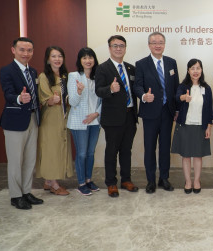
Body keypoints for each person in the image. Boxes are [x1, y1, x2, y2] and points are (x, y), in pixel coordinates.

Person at [0, 37, 43, 209]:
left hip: (33, 118)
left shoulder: (32, 71)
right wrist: (19, 98)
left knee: (30, 159)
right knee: (16, 161)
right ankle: (16, 196)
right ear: (13, 50)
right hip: (15, 121)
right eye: (22, 50)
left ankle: (26, 191)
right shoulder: (7, 70)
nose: (26, 53)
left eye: (29, 50)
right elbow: (8, 93)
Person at [134, 32, 179, 194]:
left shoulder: (171, 62)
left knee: (165, 147)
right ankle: (151, 180)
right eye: (154, 42)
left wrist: (177, 109)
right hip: (150, 113)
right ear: (149, 45)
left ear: (164, 44)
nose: (157, 45)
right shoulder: (141, 64)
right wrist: (144, 96)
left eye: (160, 42)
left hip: (168, 112)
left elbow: (176, 88)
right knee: (150, 147)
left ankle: (164, 178)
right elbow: (137, 85)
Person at [95, 35, 139, 197]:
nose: (118, 48)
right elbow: (98, 90)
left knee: (126, 150)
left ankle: (126, 180)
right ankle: (111, 183)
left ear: (125, 48)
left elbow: (135, 90)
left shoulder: (130, 68)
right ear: (109, 48)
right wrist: (110, 89)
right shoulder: (102, 68)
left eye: (121, 45)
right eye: (115, 46)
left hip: (130, 116)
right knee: (112, 151)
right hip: (113, 118)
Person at [171, 59, 212, 194]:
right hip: (185, 126)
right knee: (186, 156)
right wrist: (184, 98)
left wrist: (208, 126)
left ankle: (197, 181)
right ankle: (188, 181)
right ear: (188, 71)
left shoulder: (206, 88)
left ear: (201, 70)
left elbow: (209, 109)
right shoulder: (183, 86)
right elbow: (177, 97)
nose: (195, 71)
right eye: (192, 68)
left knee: (198, 156)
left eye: (198, 68)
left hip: (200, 126)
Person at [36, 46, 73, 196]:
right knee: (50, 150)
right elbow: (45, 100)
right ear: (48, 59)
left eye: (60, 56)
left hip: (64, 118)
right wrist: (52, 99)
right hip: (50, 119)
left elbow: (69, 99)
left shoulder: (66, 76)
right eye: (54, 56)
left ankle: (48, 181)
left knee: (60, 149)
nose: (57, 59)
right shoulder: (44, 76)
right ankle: (54, 184)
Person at [67, 47, 102, 196]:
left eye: (90, 58)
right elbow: (73, 103)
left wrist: (96, 114)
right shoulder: (73, 76)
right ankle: (81, 183)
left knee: (90, 153)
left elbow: (103, 100)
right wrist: (79, 92)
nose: (88, 61)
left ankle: (89, 180)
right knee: (81, 153)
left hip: (95, 120)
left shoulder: (98, 77)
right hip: (79, 121)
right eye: (84, 58)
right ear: (80, 61)